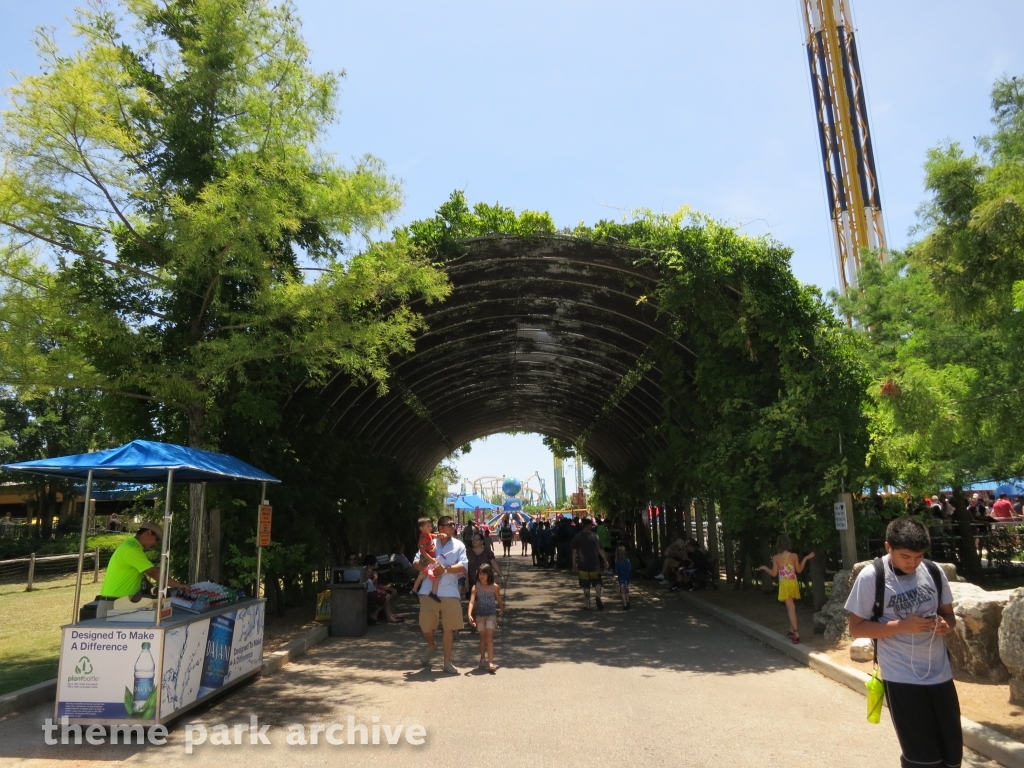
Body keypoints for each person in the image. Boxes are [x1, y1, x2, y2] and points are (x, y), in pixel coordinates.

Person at [845, 517, 960, 768]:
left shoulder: (932, 570)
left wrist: (945, 625)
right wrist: (902, 626)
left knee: (951, 757)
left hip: (939, 673)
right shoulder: (872, 577)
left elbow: (949, 615)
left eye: (918, 556)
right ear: (888, 547)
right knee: (922, 759)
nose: (913, 563)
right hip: (902, 678)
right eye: (906, 557)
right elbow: (856, 627)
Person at [413, 515, 469, 674]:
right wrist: (427, 566)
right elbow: (416, 562)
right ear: (440, 528)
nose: (453, 527)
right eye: (449, 524)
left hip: (450, 591)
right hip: (428, 591)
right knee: (426, 627)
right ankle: (431, 645)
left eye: (453, 524)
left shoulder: (459, 545)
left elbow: (464, 566)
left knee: (449, 628)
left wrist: (444, 569)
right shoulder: (428, 541)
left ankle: (447, 661)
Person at [100, 522, 185, 598]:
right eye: (157, 539)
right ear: (148, 533)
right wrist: (179, 585)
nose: (155, 544)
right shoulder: (132, 549)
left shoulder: (133, 546)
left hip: (119, 601)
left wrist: (153, 590)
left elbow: (141, 577)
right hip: (113, 602)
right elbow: (153, 573)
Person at [757, 535, 814, 643]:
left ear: (778, 545)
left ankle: (796, 633)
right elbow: (799, 570)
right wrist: (806, 558)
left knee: (790, 608)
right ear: (789, 544)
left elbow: (774, 574)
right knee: (792, 606)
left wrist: (765, 568)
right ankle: (791, 629)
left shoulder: (776, 558)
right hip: (793, 583)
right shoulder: (794, 556)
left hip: (784, 584)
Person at [467, 563, 504, 672]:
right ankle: (483, 658)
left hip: (491, 614)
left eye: (484, 574)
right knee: (483, 638)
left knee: (489, 638)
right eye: (480, 574)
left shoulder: (494, 587)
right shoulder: (476, 587)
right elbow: (472, 601)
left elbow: (498, 599)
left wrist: (501, 608)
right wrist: (469, 614)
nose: (481, 576)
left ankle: (490, 662)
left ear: (489, 574)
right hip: (480, 615)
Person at [571, 518, 609, 610]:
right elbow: (600, 549)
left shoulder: (577, 536)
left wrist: (574, 563)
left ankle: (587, 605)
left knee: (585, 585)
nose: (592, 527)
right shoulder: (594, 536)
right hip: (594, 563)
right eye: (591, 525)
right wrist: (605, 560)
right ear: (587, 526)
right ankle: (598, 597)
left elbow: (574, 551)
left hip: (583, 565)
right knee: (597, 582)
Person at [364, 557, 404, 624]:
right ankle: (376, 615)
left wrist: (384, 587)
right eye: (373, 565)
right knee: (387, 595)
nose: (374, 567)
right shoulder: (366, 572)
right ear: (369, 565)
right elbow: (370, 585)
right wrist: (375, 579)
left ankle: (389, 615)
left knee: (391, 592)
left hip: (374, 590)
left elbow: (375, 584)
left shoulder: (372, 572)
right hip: (370, 592)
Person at [411, 517, 442, 602]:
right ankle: (433, 592)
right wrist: (431, 560)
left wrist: (440, 535)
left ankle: (414, 590)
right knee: (437, 574)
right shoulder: (422, 539)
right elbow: (423, 552)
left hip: (429, 558)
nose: (430, 528)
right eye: (428, 526)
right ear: (421, 528)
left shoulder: (428, 535)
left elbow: (435, 535)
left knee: (421, 575)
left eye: (430, 526)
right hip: (426, 559)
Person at [614, 546, 632, 610]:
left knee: (622, 591)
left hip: (621, 577)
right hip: (627, 576)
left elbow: (616, 570)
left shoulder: (617, 561)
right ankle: (628, 602)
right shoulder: (627, 560)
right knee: (626, 589)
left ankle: (625, 604)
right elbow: (630, 568)